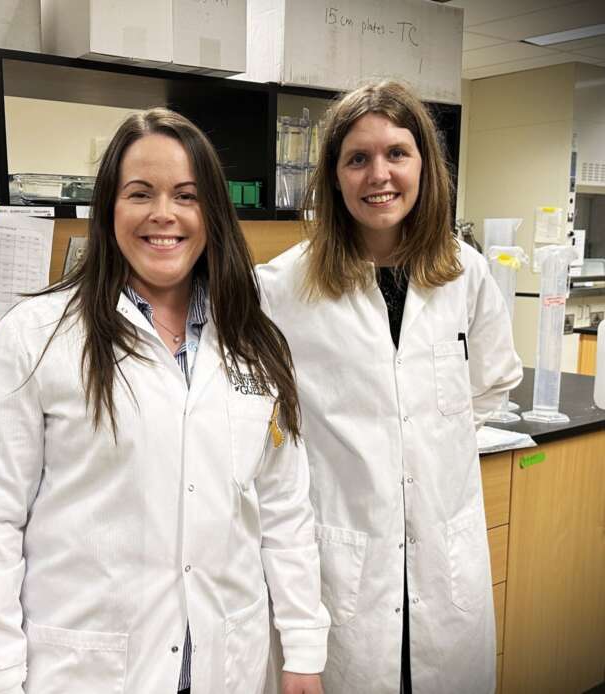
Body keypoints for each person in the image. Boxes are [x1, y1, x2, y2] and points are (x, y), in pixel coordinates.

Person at [0, 107, 329, 694]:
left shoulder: (254, 340)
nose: (163, 215)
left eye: (186, 195)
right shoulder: (34, 338)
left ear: (213, 213)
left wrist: (302, 648)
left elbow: (284, 511)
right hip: (90, 669)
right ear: (109, 209)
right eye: (140, 193)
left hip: (228, 663)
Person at [257, 81, 523, 694]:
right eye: (358, 158)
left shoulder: (465, 271)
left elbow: (491, 383)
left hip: (442, 556)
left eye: (397, 153)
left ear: (425, 165)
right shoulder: (282, 286)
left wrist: (425, 438)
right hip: (344, 565)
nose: (380, 174)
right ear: (334, 176)